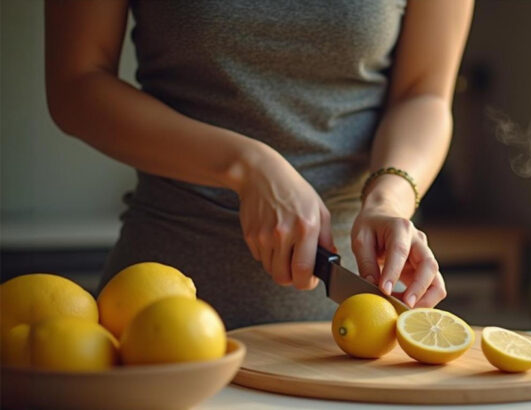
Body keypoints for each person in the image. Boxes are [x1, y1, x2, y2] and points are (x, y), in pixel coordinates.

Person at [45, 0, 473, 330]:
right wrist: (246, 164)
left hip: (342, 334)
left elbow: (425, 95)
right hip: (151, 319)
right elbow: (76, 86)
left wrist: (389, 199)